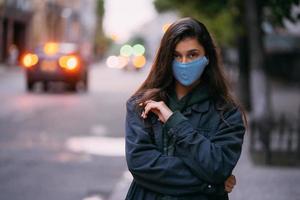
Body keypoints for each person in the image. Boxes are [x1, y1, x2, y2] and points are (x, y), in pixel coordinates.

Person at [125, 17, 246, 200]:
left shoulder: (227, 112)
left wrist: (175, 122)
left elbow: (218, 166)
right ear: (166, 58)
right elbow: (141, 165)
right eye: (176, 55)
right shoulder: (141, 105)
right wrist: (212, 184)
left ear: (207, 57)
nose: (183, 62)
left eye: (192, 54)